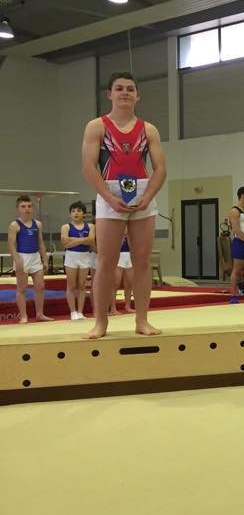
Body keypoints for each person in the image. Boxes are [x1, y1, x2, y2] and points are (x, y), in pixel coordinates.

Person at [81, 71, 166, 338]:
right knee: (107, 261)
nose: (125, 92)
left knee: (142, 262)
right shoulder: (97, 126)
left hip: (142, 191)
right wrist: (108, 197)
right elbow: (88, 167)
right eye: (119, 88)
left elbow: (161, 168)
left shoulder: (149, 129)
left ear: (138, 95)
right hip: (110, 190)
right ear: (110, 94)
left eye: (130, 88)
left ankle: (142, 321)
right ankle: (100, 323)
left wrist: (148, 196)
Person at [8, 195, 51, 323]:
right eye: (23, 206)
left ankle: (39, 314)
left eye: (29, 206)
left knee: (40, 286)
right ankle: (23, 316)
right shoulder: (15, 225)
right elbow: (11, 245)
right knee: (22, 288)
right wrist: (17, 260)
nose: (27, 209)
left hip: (35, 256)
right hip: (22, 257)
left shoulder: (38, 224)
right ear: (18, 209)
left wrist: (45, 259)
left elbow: (41, 243)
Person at [61, 200, 94, 321]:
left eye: (79, 211)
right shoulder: (66, 227)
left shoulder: (90, 226)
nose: (76, 213)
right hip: (71, 256)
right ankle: (73, 312)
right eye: (73, 211)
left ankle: (80, 312)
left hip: (85, 256)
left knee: (81, 286)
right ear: (70, 214)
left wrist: (73, 240)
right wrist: (82, 239)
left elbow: (91, 241)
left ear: (83, 214)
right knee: (71, 285)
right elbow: (65, 243)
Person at [113, 231, 134, 314]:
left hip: (129, 256)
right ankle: (113, 308)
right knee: (115, 283)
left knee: (129, 283)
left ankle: (128, 306)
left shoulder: (131, 230)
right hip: (118, 256)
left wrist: (129, 236)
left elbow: (133, 247)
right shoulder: (116, 229)